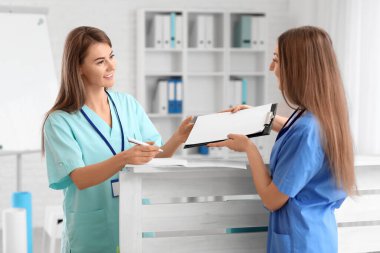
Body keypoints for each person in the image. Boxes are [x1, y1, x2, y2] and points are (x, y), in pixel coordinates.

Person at [42, 26, 193, 253]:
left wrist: (178, 138)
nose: (112, 66)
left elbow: (156, 155)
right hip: (91, 231)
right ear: (79, 67)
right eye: (100, 61)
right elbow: (80, 178)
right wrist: (123, 159)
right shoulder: (59, 121)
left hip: (137, 223)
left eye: (112, 56)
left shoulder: (127, 104)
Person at [208, 26, 356, 252]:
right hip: (318, 235)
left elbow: (271, 199)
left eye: (276, 60)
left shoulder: (307, 131)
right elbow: (297, 128)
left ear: (297, 67)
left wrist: (249, 148)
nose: (271, 67)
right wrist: (262, 119)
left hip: (300, 242)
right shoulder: (323, 117)